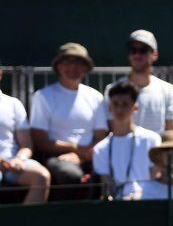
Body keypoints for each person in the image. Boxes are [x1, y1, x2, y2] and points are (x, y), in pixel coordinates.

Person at [30, 43, 108, 195]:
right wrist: (74, 149)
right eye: (67, 62)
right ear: (58, 66)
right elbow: (40, 140)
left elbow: (100, 137)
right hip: (55, 159)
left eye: (78, 62)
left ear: (85, 68)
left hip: (91, 157)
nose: (73, 67)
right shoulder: (43, 96)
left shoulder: (96, 97)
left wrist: (82, 157)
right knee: (70, 175)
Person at [92, 81, 161, 200]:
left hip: (148, 202)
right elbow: (106, 188)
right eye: (116, 104)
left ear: (135, 107)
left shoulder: (151, 139)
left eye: (125, 104)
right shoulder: (100, 149)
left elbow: (157, 177)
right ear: (109, 107)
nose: (120, 109)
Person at [104, 30, 173, 134]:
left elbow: (171, 129)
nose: (137, 55)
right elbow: (111, 128)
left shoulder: (167, 90)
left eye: (143, 50)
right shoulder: (112, 90)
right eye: (133, 50)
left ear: (155, 55)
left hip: (156, 149)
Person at [0, 69, 50, 203]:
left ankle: (26, 223)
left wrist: (19, 159)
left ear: (0, 74)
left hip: (12, 164)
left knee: (41, 176)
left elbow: (26, 145)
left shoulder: (13, 104)